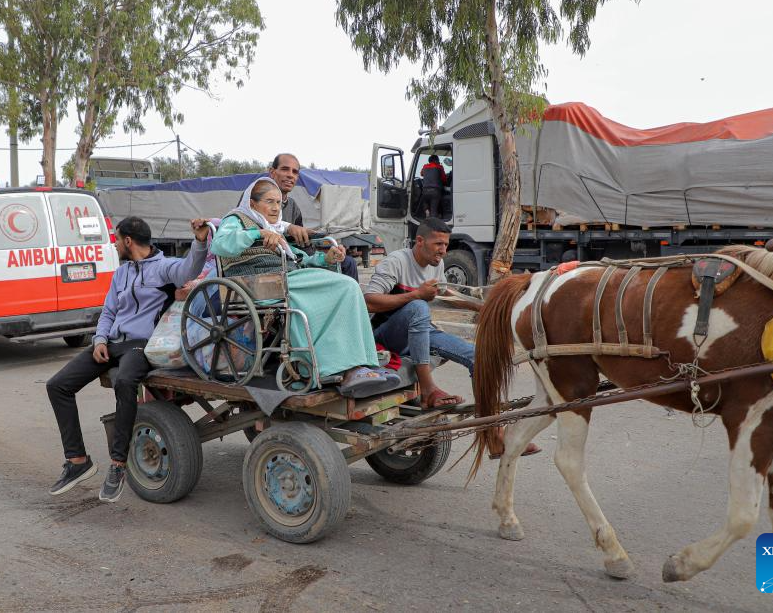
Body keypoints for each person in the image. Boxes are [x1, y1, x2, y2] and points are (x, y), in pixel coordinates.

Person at [46, 215, 210, 502]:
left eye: (116, 238)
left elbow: (188, 270)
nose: (115, 243)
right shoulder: (121, 273)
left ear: (128, 241)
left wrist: (199, 241)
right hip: (110, 343)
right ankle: (77, 461)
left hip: (140, 345)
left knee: (124, 382)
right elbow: (108, 311)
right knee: (58, 385)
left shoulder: (163, 268)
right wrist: (99, 340)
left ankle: (118, 464)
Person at [365, 218, 540, 455]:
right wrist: (416, 295)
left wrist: (482, 308)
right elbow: (369, 301)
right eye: (438, 244)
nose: (443, 250)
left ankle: (494, 433)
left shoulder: (436, 264)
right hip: (387, 336)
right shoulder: (396, 262)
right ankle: (428, 390)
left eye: (446, 245)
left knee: (479, 357)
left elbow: (446, 293)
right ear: (419, 241)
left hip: (420, 331)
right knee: (419, 307)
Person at [211, 177, 395, 389]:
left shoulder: (275, 229)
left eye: (279, 203)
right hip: (256, 280)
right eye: (269, 201)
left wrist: (326, 259)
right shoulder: (237, 219)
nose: (275, 208)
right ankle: (342, 367)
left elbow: (297, 258)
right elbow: (220, 244)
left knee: (345, 288)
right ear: (252, 203)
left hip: (284, 276)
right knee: (346, 287)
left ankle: (360, 361)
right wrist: (256, 233)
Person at [269, 152, 361, 282]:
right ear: (272, 172)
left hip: (297, 256)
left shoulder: (293, 206)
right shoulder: (256, 199)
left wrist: (328, 252)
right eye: (285, 169)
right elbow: (254, 226)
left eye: (295, 172)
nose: (290, 175)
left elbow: (302, 243)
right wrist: (288, 228)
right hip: (276, 261)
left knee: (347, 262)